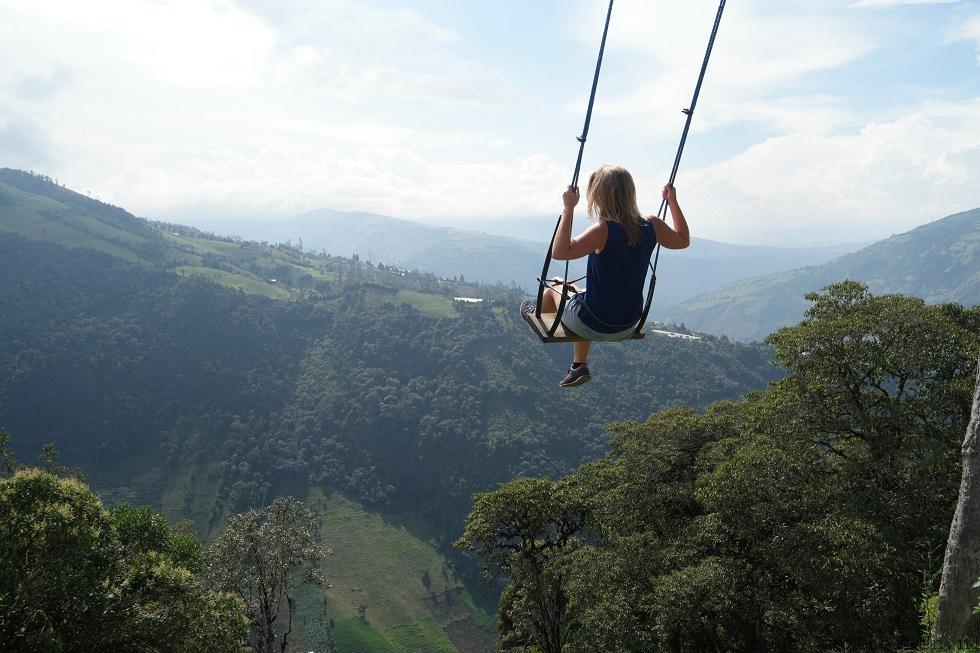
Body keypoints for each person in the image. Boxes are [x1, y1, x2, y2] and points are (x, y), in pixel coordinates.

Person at [522, 165, 690, 387]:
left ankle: (534, 313)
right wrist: (673, 202)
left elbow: (560, 253)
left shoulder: (604, 230)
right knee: (581, 294)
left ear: (599, 196)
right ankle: (577, 365)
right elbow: (682, 240)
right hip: (629, 324)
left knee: (553, 289)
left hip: (593, 323)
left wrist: (568, 209)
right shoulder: (653, 225)